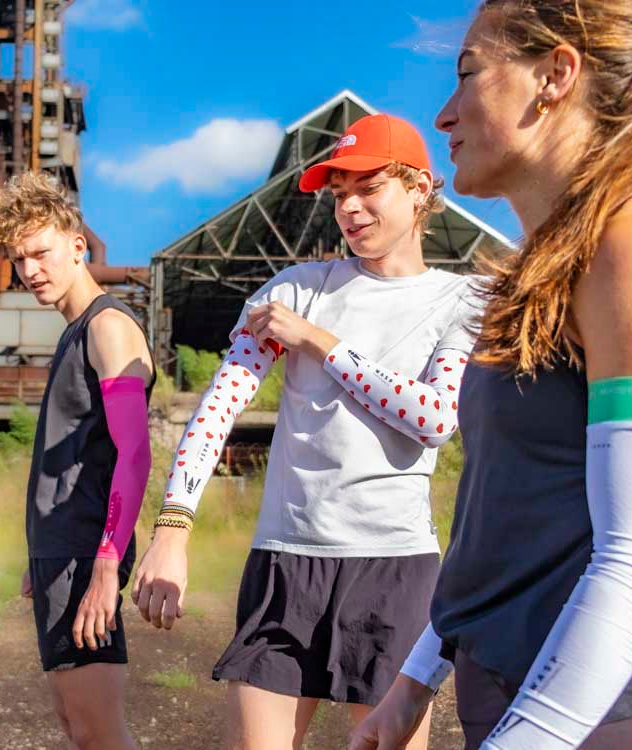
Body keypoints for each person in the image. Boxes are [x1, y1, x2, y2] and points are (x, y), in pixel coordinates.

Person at [349, 2, 632, 749]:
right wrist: (414, 685)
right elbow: (493, 526)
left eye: (468, 74)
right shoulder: (530, 280)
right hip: (506, 701)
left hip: (602, 726)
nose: (443, 117)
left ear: (554, 75)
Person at [131, 113, 480, 750]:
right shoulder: (292, 290)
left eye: (368, 187)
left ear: (420, 190)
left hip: (395, 571)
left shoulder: (461, 300)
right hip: (285, 565)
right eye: (338, 192)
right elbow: (218, 408)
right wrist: (172, 529)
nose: (349, 207)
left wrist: (320, 343)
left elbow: (434, 419)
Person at [0, 171, 155, 750]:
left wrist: (106, 567)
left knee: (99, 732)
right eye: (19, 258)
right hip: (62, 551)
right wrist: (41, 554)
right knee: (77, 727)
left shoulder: (109, 328)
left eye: (41, 252)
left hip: (90, 552)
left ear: (77, 245)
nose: (30, 269)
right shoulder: (72, 334)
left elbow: (135, 456)